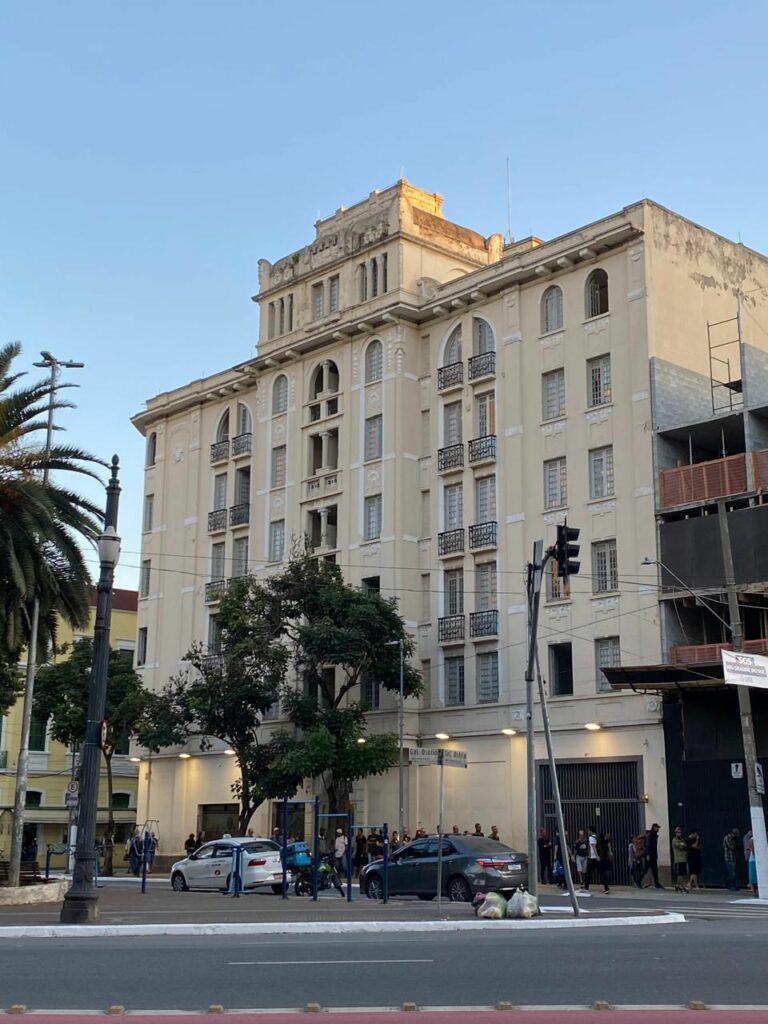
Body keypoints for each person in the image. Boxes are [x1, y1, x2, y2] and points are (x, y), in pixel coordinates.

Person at [646, 823, 663, 889]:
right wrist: (647, 854)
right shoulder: (650, 835)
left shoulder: (654, 835)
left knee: (655, 870)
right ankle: (638, 880)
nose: (658, 829)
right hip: (650, 855)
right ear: (654, 827)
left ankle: (657, 884)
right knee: (646, 869)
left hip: (653, 855)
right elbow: (648, 845)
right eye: (657, 827)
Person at [671, 826, 688, 893]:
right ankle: (681, 887)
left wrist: (683, 845)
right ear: (675, 833)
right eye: (678, 833)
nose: (679, 834)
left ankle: (677, 885)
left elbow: (685, 846)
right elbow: (680, 847)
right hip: (678, 859)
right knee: (680, 874)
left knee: (682, 874)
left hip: (684, 859)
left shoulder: (682, 840)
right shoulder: (674, 840)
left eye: (680, 833)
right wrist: (683, 845)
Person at [584, 826, 599, 892]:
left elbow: (593, 847)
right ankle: (606, 887)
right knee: (601, 872)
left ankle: (586, 888)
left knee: (588, 873)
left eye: (588, 830)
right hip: (596, 857)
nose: (588, 831)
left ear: (590, 831)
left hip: (593, 857)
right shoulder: (597, 836)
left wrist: (596, 856)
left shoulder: (591, 837)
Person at [747, 832, 758, 897]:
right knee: (753, 876)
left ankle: (755, 890)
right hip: (754, 860)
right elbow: (753, 850)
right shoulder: (752, 840)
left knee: (754, 876)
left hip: (756, 859)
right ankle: (754, 890)